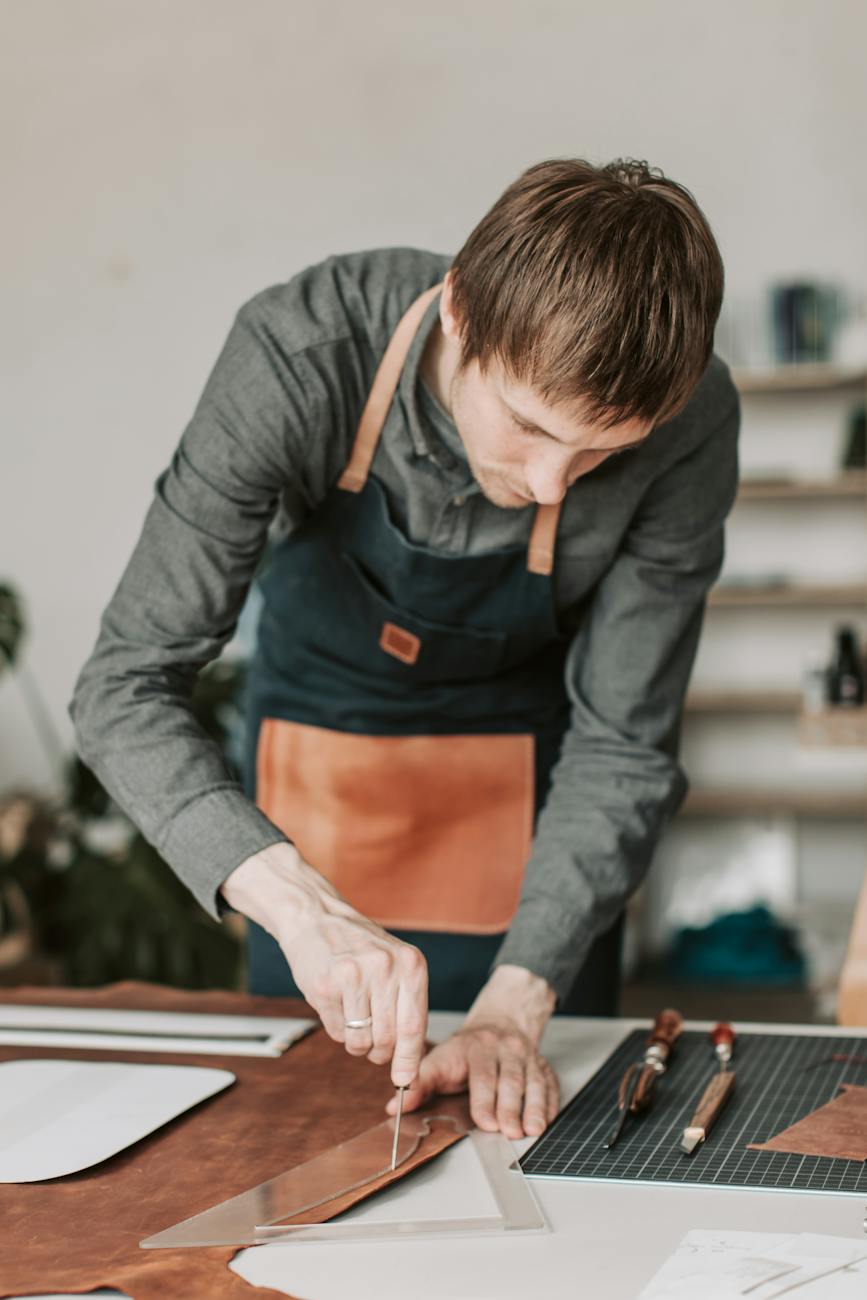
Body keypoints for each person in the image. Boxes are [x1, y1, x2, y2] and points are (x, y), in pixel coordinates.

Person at [71, 157, 739, 1142]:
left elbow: (624, 744)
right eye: (528, 424)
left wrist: (517, 1003)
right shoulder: (299, 354)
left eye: (603, 453)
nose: (557, 484)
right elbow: (123, 685)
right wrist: (294, 904)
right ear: (459, 314)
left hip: (531, 821)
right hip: (315, 787)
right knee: (306, 1143)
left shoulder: (693, 422)